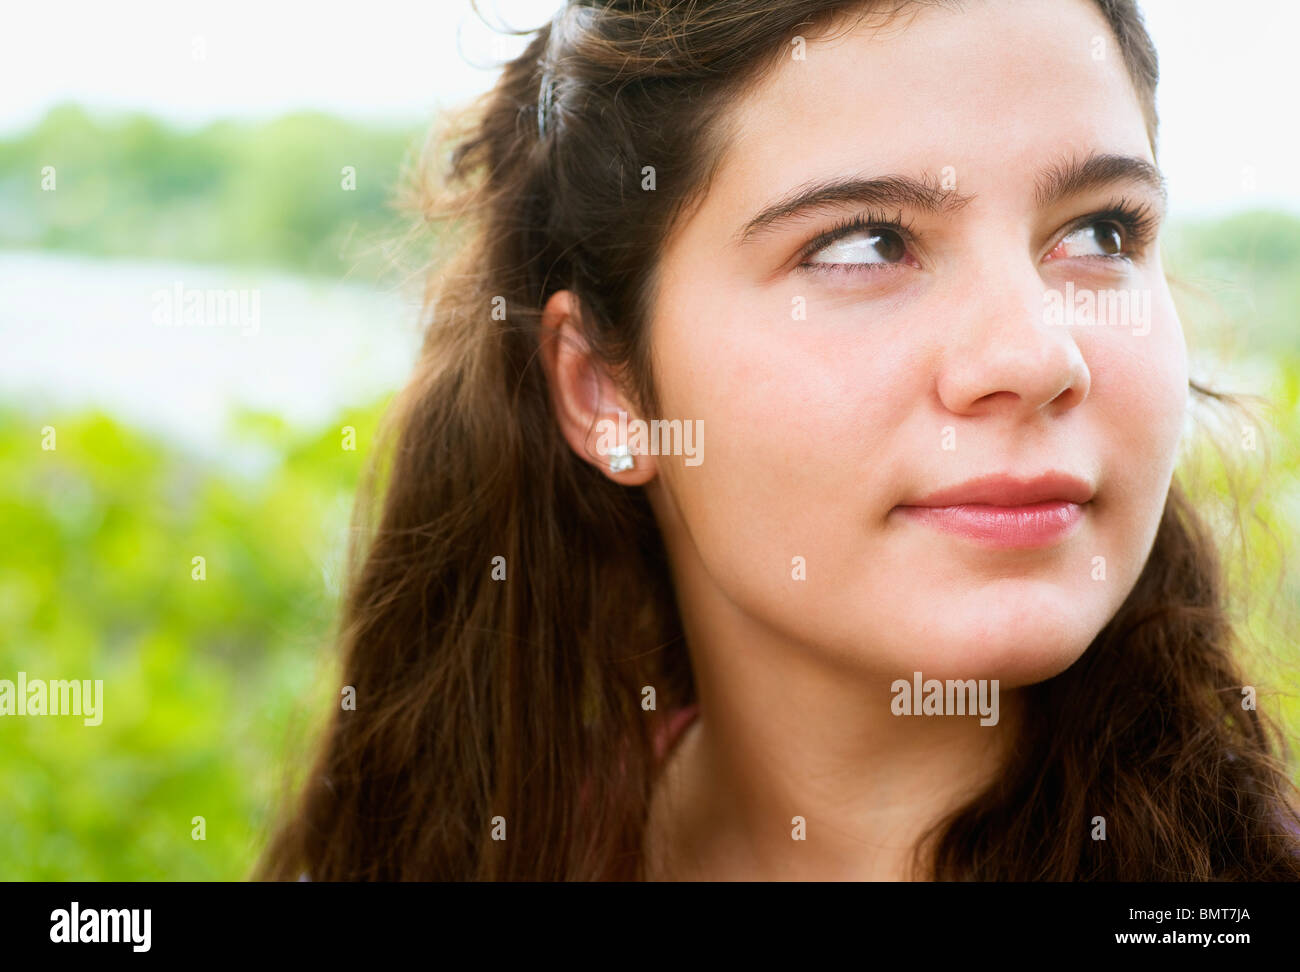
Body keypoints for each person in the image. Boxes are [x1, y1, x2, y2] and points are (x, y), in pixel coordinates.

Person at [258, 0, 1300, 881]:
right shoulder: (486, 850)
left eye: (1100, 232)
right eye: (863, 244)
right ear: (604, 389)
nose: (1036, 355)